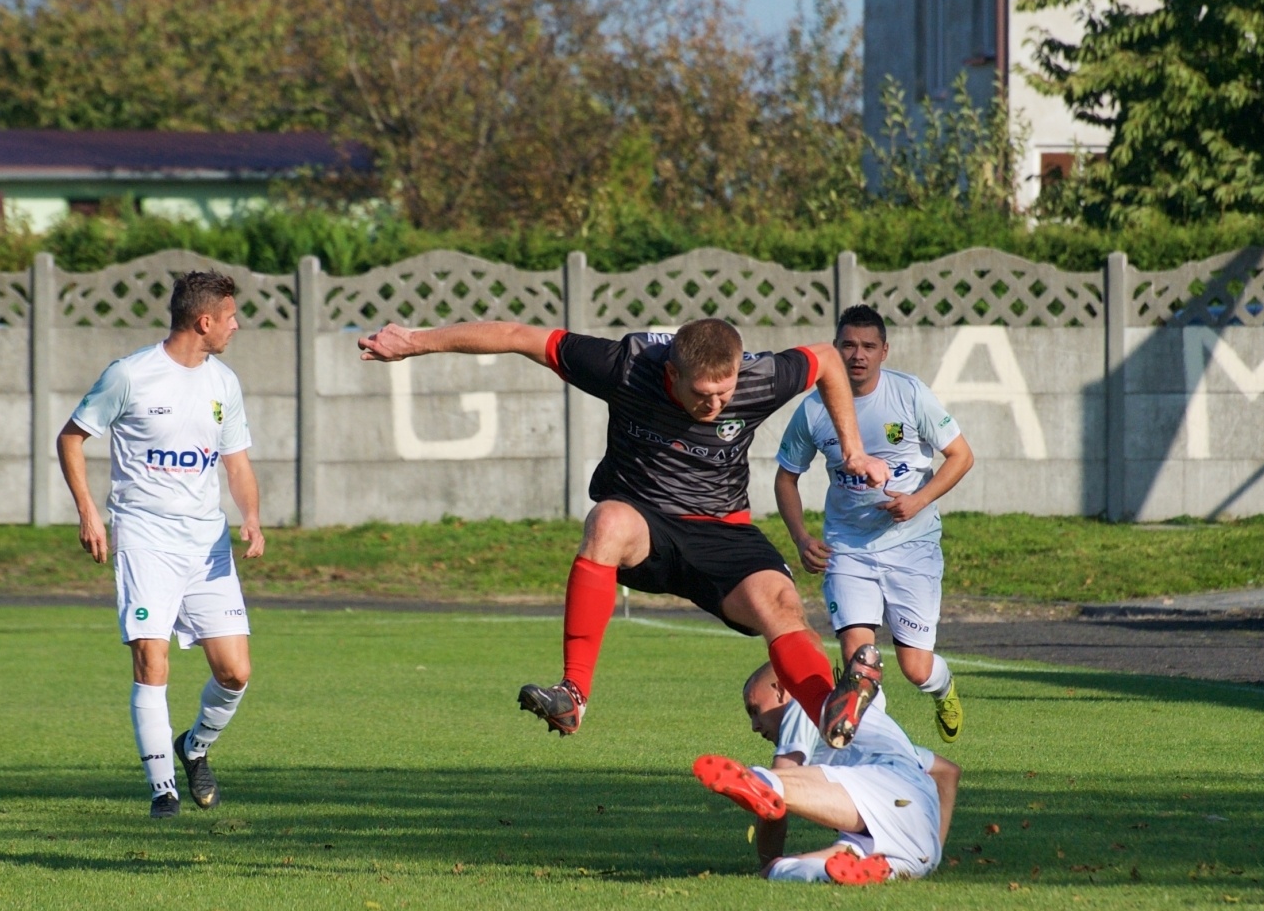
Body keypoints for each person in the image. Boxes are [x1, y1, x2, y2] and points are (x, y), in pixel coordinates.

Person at [359, 318, 889, 748]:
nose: (714, 406)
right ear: (672, 373)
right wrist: (413, 343)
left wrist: (854, 450)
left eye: (723, 393)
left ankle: (829, 713)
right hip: (646, 522)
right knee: (607, 522)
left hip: (722, 530)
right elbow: (519, 336)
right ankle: (573, 693)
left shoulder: (758, 377)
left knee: (781, 602)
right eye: (702, 394)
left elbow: (826, 358)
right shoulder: (626, 365)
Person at [57, 271, 265, 819]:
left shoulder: (224, 383)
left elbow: (236, 460)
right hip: (146, 538)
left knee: (235, 672)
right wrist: (89, 514)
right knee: (152, 658)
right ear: (205, 322)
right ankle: (163, 792)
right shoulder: (130, 375)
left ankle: (193, 747)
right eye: (231, 316)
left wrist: (252, 517)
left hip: (207, 544)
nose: (236, 326)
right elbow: (72, 437)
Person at [774, 304, 974, 743]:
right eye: (848, 345)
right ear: (836, 349)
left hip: (912, 544)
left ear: (884, 350)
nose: (857, 355)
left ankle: (943, 689)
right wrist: (801, 537)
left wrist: (919, 500)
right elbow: (786, 478)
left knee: (916, 669)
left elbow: (961, 456)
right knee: (858, 665)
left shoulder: (909, 394)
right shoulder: (813, 410)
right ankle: (889, 753)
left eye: (868, 346)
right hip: (847, 549)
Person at [693, 661, 961, 884]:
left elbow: (779, 795)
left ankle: (761, 780)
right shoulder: (875, 733)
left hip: (885, 789)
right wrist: (933, 848)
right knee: (779, 869)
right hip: (917, 844)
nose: (754, 725)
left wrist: (763, 853)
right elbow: (948, 772)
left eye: (755, 709)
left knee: (773, 782)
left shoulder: (807, 704)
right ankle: (835, 873)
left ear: (781, 689)